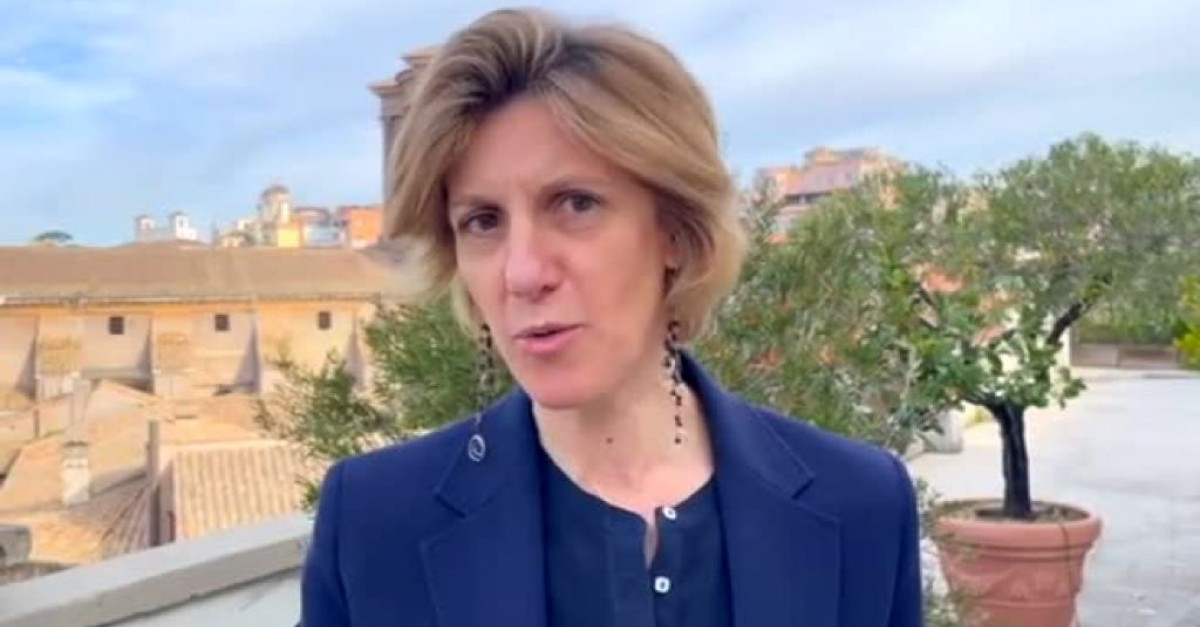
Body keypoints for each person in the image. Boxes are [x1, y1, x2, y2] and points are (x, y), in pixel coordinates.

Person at [299, 7, 922, 627]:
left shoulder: (861, 504)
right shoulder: (375, 525)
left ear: (675, 231)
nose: (523, 273)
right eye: (483, 221)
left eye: (576, 204)